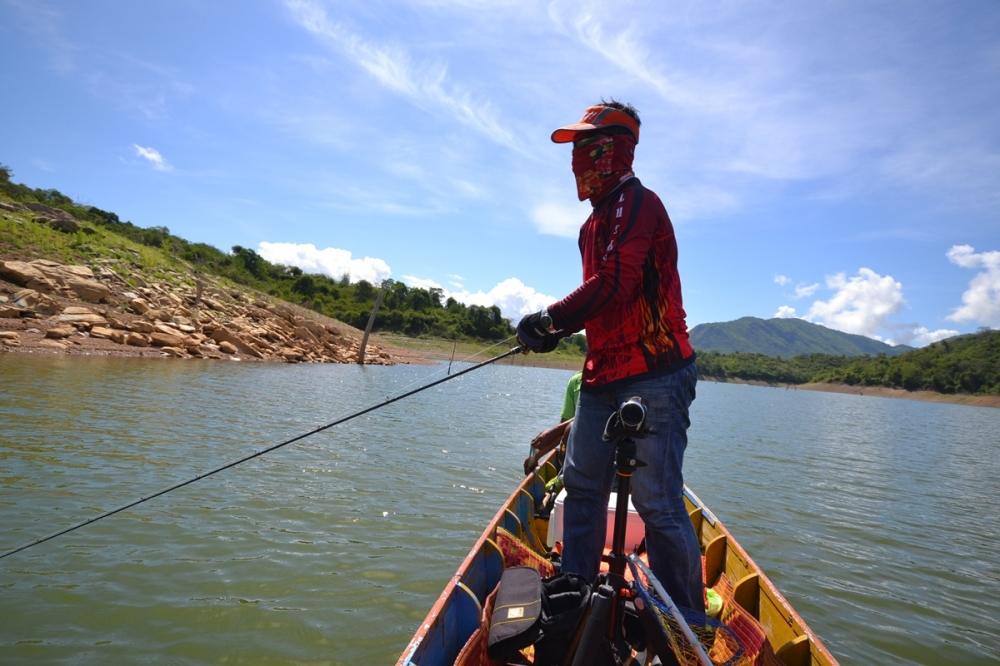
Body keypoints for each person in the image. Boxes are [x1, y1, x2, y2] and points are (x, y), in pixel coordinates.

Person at [516, 100, 703, 611]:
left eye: (588, 147)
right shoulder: (591, 224)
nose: (578, 159)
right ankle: (576, 588)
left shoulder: (640, 204)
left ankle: (682, 615)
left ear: (615, 149)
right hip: (602, 372)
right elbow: (601, 301)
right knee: (580, 484)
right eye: (575, 149)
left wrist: (550, 320)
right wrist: (559, 330)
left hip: (656, 370)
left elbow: (618, 281)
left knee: (657, 501)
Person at [523, 370, 581, 475]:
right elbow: (563, 432)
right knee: (569, 429)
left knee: (571, 427)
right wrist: (536, 456)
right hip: (577, 454)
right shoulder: (576, 381)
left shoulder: (614, 383)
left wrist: (553, 432)